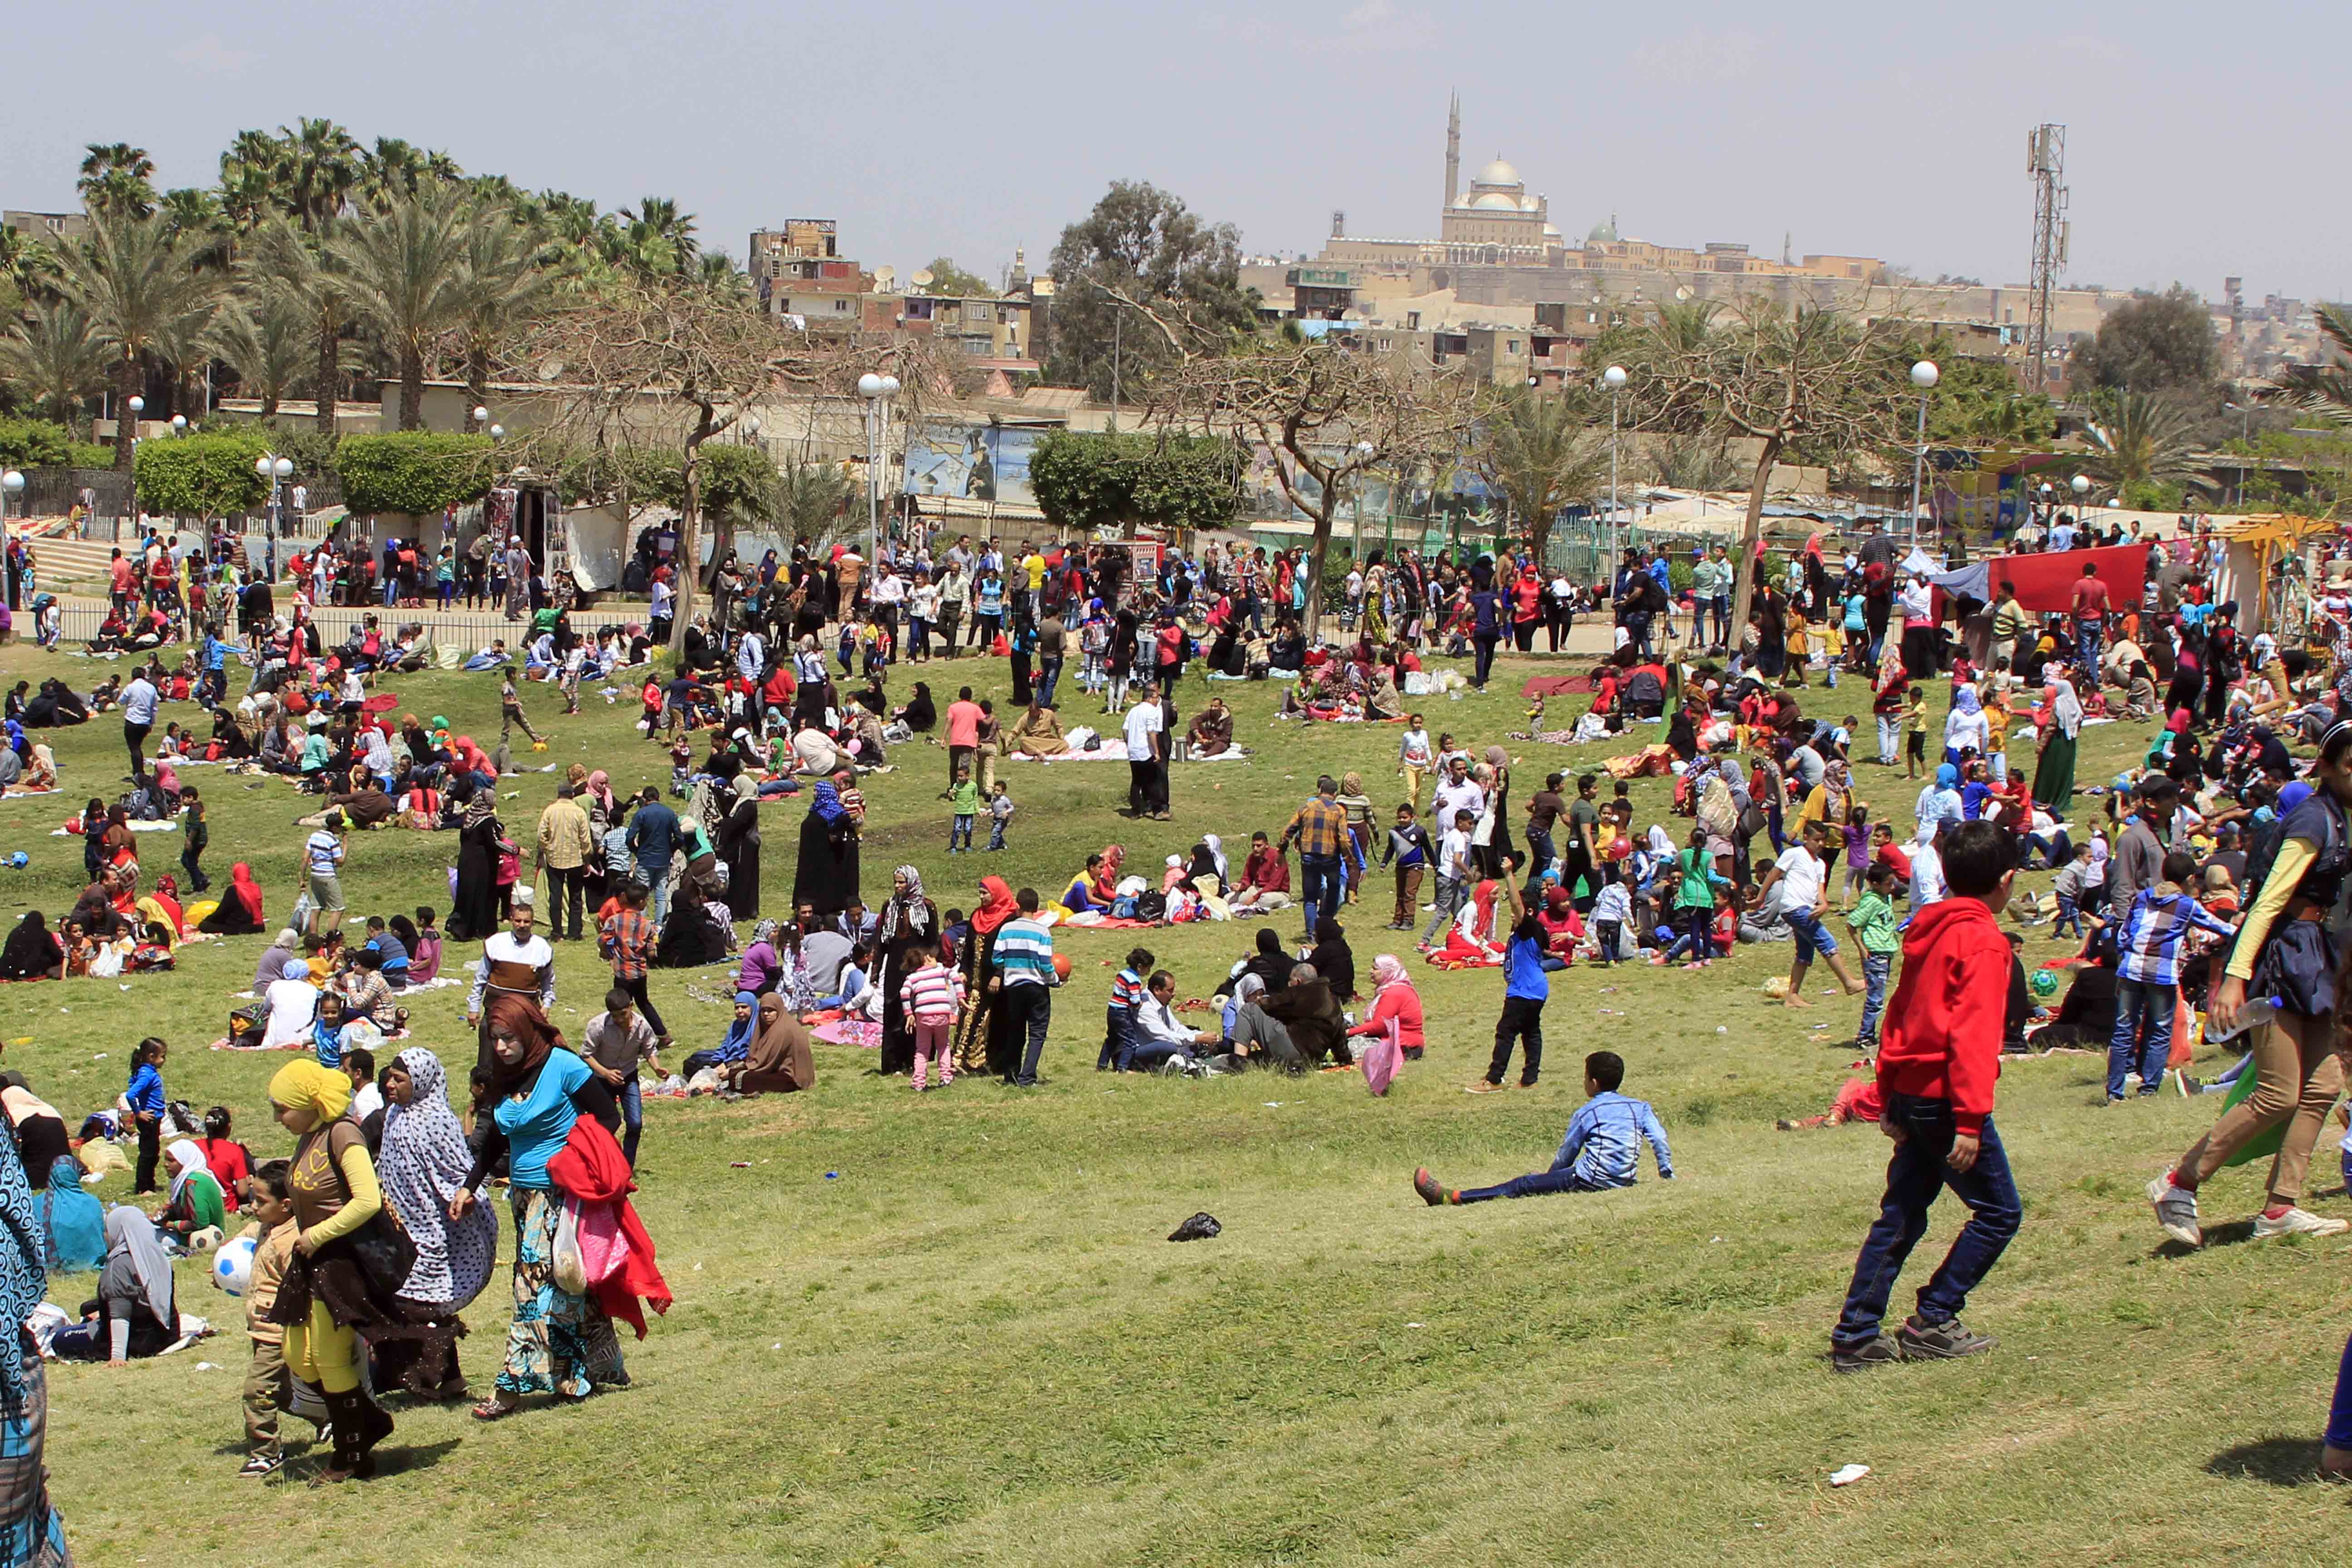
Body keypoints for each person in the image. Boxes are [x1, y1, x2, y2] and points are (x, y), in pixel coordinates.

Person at [1828, 820, 2023, 1372]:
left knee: (1903, 1214)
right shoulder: (1984, 940)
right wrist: (1969, 1118)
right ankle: (1934, 1318)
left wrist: (1888, 1091)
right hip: (1945, 1098)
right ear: (2006, 880)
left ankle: (1856, 1334)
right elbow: (1973, 1034)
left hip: (1912, 1090)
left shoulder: (1928, 929)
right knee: (1999, 1212)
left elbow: (1899, 1014)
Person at [2150, 721, 2352, 1245]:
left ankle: (2280, 1209)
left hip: (2316, 958)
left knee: (2325, 1085)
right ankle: (2178, 1182)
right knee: (2279, 1095)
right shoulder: (2314, 819)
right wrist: (2236, 979)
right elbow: (2268, 904)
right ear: (2327, 768)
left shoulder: (2340, 817)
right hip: (2284, 958)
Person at [456, 999, 625, 1419]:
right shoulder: (502, 1077)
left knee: (531, 1285)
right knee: (567, 1283)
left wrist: (571, 1156)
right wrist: (469, 1186)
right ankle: (585, 1371)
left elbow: (608, 1116)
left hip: (560, 1196)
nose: (501, 1047)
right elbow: (496, 1138)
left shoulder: (564, 1066)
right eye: (495, 1039)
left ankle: (512, 1385)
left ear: (528, 1032)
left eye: (509, 1038)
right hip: (523, 1197)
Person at [261, 1059, 401, 1481]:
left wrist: (317, 1235)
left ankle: (351, 1454)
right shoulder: (308, 1137)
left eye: (282, 1108)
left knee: (328, 1357)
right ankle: (369, 1421)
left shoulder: (342, 1133)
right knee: (298, 1357)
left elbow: (367, 1200)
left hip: (341, 1261)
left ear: (309, 1104)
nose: (276, 1118)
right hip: (312, 1260)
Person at [371, 1049, 497, 1399]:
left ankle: (422, 1375)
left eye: (400, 1079)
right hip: (401, 1228)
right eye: (390, 1078)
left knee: (419, 1302)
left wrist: (466, 1198)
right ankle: (449, 1377)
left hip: (432, 1230)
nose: (390, 1084)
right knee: (416, 1301)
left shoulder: (435, 1119)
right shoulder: (395, 1114)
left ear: (422, 1082)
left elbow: (458, 1172)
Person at [1416, 1051, 1673, 1203]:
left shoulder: (1588, 1112)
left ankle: (1453, 1197)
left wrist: (1547, 1177)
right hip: (1623, 1180)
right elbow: (1659, 1140)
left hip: (1591, 1179)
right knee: (1534, 1182)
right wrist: (1666, 1172)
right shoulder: (1640, 1107)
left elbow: (1568, 1153)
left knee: (1522, 1185)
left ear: (1593, 1082)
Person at [2107, 850, 2238, 1104]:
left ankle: (2114, 1092)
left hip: (2131, 970)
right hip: (2161, 974)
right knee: (2160, 1028)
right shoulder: (2186, 905)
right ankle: (2149, 1089)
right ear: (2190, 879)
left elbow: (2123, 935)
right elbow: (2221, 927)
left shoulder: (2142, 897)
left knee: (2124, 1030)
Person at [1754, 819, 1868, 1009]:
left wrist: (1823, 905)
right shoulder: (1794, 854)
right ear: (1806, 837)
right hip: (1794, 908)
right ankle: (1849, 983)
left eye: (1823, 840)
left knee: (1805, 953)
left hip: (1807, 909)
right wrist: (1760, 898)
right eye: (1817, 840)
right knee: (1827, 942)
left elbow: (1820, 890)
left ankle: (1792, 996)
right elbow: (1774, 874)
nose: (1821, 844)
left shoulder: (1820, 865)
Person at [235, 1160, 301, 1477]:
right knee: (286, 1395)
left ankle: (266, 1451)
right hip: (260, 1329)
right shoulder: (267, 1227)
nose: (254, 1206)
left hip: (278, 1330)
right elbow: (243, 1236)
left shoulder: (291, 1240)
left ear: (286, 1205)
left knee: (257, 1391)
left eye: (262, 1201)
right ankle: (327, 1420)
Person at [1466, 871, 1548, 1092]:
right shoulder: (1528, 931)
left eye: (1516, 911)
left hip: (1524, 991)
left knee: (1506, 1033)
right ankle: (1530, 1080)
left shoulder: (1529, 927)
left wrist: (1509, 875)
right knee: (1531, 1032)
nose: (1512, 914)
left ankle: (1494, 1079)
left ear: (1529, 911)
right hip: (1534, 989)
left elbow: (1516, 904)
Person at [466, 888, 555, 1083]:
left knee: (525, 1058)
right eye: (518, 921)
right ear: (512, 920)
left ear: (532, 923)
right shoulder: (496, 944)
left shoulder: (542, 949)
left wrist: (546, 1005)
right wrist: (473, 1009)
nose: (522, 925)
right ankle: (485, 1097)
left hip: (525, 1013)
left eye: (526, 922)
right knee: (488, 1058)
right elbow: (480, 979)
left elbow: (548, 983)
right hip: (495, 1011)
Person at [991, 888, 1060, 1087]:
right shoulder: (1042, 932)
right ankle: (1027, 1077)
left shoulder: (1006, 930)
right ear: (1037, 909)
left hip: (1013, 987)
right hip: (1037, 988)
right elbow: (1046, 964)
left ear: (1018, 906)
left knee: (1015, 1032)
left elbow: (997, 958)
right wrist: (1054, 980)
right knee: (1037, 1034)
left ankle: (1010, 1074)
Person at [1281, 776, 1349, 939]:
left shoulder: (1306, 808)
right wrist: (1347, 855)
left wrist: (1283, 846)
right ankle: (1326, 923)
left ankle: (1312, 932)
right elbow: (1344, 838)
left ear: (1320, 791)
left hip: (1309, 856)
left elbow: (1288, 830)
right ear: (1335, 794)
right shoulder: (1339, 811)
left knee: (1311, 897)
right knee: (1333, 890)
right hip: (1330, 858)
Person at [1847, 864, 1903, 1049]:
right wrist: (1862, 949)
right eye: (1889, 884)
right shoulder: (1871, 901)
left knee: (1879, 996)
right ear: (1875, 884)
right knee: (1876, 998)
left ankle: (1869, 1034)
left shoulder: (1886, 897)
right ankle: (1865, 1036)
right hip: (1875, 954)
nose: (1893, 887)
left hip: (1886, 953)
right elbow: (1852, 924)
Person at [793, 773, 861, 921]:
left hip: (826, 857)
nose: (814, 793)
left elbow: (842, 826)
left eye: (817, 791)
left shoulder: (833, 812)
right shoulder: (817, 810)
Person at [900, 948, 965, 1090]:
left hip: (923, 1015)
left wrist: (909, 1014)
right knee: (943, 1046)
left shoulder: (912, 977)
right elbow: (954, 975)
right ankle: (946, 1077)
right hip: (943, 1013)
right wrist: (961, 997)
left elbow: (904, 992)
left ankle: (918, 1082)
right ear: (927, 959)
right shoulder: (941, 971)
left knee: (922, 1050)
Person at [729, 993, 814, 1096]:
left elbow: (764, 1061)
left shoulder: (783, 1029)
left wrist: (738, 1069)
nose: (766, 1014)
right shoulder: (772, 1026)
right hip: (776, 1068)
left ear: (779, 1010)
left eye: (771, 1011)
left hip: (793, 1077)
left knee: (744, 1079)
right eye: (763, 1011)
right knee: (737, 1073)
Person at [156, 1139, 226, 1241]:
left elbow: (200, 1223)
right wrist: (165, 1213)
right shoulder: (182, 1181)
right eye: (166, 1160)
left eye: (171, 1161)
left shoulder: (193, 1183)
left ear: (186, 1162)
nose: (166, 1164)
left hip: (203, 1237)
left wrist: (169, 1225)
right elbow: (181, 1208)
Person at [125, 1037, 167, 1195]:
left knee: (152, 1153)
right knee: (148, 1155)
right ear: (151, 1057)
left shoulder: (147, 1072)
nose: (164, 1060)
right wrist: (139, 1113)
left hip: (153, 1118)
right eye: (162, 1056)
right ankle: (144, 1187)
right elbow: (131, 1095)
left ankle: (150, 1184)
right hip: (149, 1119)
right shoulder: (147, 1075)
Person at [1122, 684, 1167, 820]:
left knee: (1136, 782)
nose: (1157, 701)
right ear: (1149, 698)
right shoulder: (1151, 711)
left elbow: (1125, 730)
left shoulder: (1133, 711)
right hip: (1145, 750)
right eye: (1156, 698)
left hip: (1133, 751)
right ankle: (1158, 811)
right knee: (1153, 781)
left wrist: (1129, 743)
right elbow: (1151, 733)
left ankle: (1136, 811)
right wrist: (1156, 751)